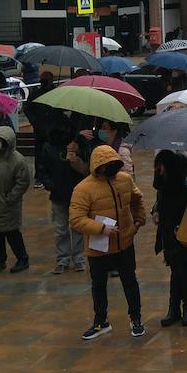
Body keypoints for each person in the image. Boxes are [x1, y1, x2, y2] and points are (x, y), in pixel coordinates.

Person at [69, 145, 147, 340]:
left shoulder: (125, 180)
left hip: (124, 243)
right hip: (98, 247)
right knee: (98, 285)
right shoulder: (84, 189)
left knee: (130, 281)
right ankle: (100, 321)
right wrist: (102, 229)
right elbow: (76, 219)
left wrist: (138, 221)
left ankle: (136, 319)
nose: (111, 168)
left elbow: (137, 199)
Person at [0, 126, 32, 275]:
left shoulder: (17, 161)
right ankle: (0, 260)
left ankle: (22, 258)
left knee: (12, 233)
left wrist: (10, 198)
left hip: (8, 205)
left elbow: (23, 182)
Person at [152, 150, 187, 328]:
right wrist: (155, 211)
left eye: (161, 166)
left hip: (183, 236)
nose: (159, 169)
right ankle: (174, 308)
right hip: (168, 235)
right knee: (175, 270)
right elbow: (159, 201)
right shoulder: (164, 186)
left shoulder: (186, 188)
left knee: (184, 271)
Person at [37, 128, 90, 273]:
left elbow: (86, 168)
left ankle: (79, 259)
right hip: (58, 194)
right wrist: (50, 185)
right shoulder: (48, 148)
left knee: (77, 228)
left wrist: (76, 154)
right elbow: (42, 169)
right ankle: (63, 259)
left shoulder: (77, 146)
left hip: (76, 193)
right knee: (61, 229)